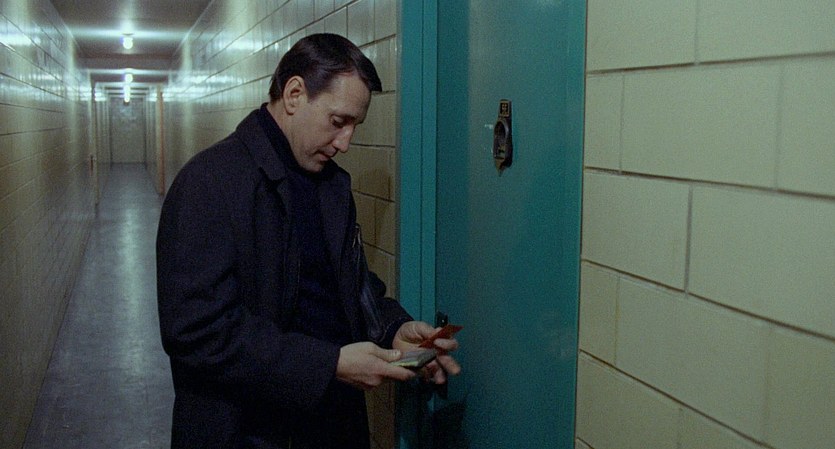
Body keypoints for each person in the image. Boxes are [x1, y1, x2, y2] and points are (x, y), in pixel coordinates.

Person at [156, 33, 460, 449]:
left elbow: (347, 287)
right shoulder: (210, 182)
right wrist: (328, 364)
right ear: (294, 94)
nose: (345, 143)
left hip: (330, 423)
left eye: (354, 126)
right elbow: (195, 331)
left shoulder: (330, 185)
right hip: (247, 431)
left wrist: (393, 329)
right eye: (338, 122)